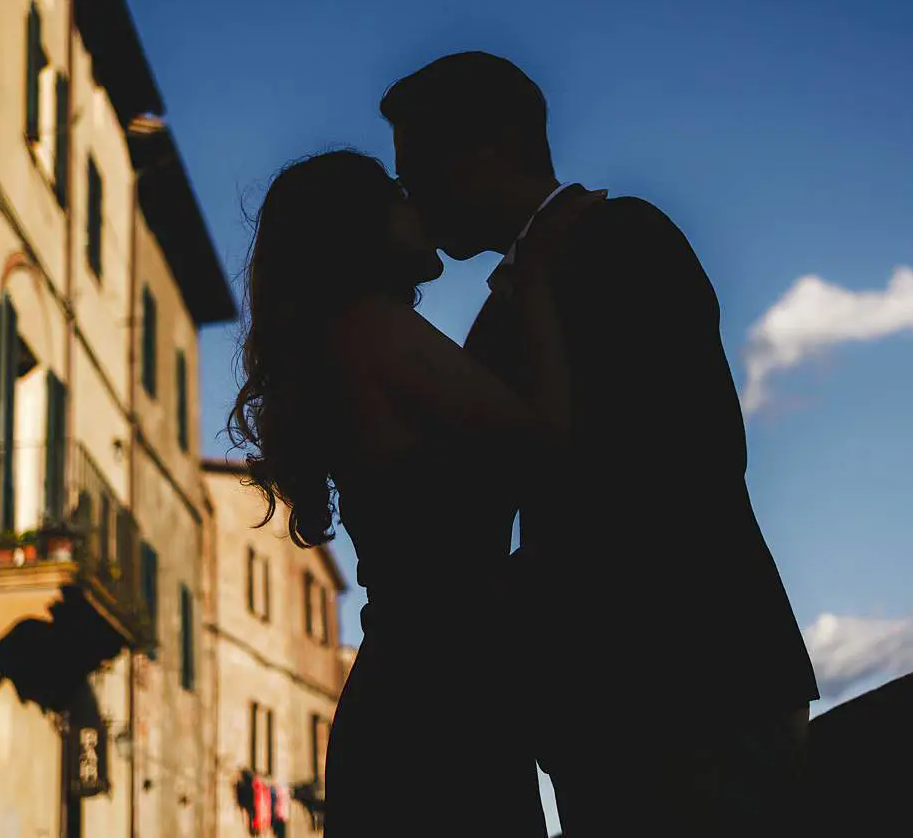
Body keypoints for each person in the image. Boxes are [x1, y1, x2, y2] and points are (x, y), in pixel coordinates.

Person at [379, 51, 821, 834]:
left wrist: (518, 591)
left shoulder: (622, 237)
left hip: (699, 673)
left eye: (418, 170)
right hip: (601, 704)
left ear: (490, 148)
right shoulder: (505, 311)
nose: (410, 195)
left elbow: (691, 454)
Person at [229, 148, 602, 837]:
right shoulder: (372, 327)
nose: (418, 204)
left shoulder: (352, 339)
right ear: (358, 225)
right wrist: (543, 278)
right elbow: (543, 437)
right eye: (397, 193)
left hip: (430, 688)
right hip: (441, 701)